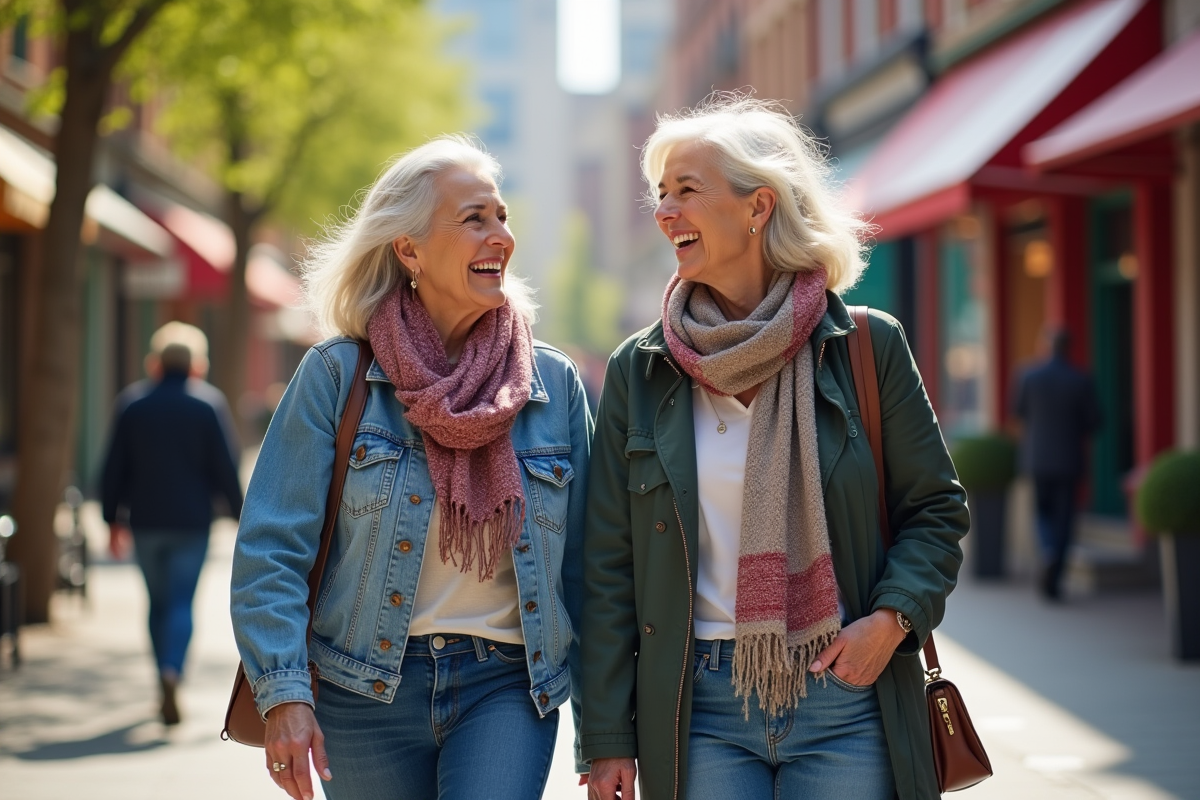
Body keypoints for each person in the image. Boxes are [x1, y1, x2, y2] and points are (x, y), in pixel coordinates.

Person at [580, 95, 970, 800]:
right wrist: (607, 736)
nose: (665, 212)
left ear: (759, 207)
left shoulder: (867, 348)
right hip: (696, 709)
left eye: (687, 191)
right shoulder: (640, 371)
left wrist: (891, 621)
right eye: (660, 195)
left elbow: (935, 513)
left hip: (848, 698)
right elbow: (607, 564)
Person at [230, 135, 591, 800]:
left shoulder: (553, 386)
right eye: (474, 218)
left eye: (502, 217)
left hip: (505, 686)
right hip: (359, 690)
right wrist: (283, 693)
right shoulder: (338, 377)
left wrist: (604, 733)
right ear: (409, 248)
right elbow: (271, 548)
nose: (500, 237)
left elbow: (591, 568)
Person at [101, 322, 243, 725]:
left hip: (145, 522)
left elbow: (114, 468)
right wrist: (240, 515)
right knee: (182, 602)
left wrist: (111, 519)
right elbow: (225, 468)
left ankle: (160, 672)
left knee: (157, 603)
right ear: (197, 366)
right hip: (192, 523)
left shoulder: (132, 404)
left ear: (155, 363)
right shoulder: (208, 405)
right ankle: (172, 671)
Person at [1013, 329, 1102, 601]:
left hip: (1038, 459)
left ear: (1045, 347)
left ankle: (1047, 549)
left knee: (1042, 514)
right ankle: (1055, 581)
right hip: (1068, 460)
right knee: (1065, 519)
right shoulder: (1080, 379)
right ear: (1069, 348)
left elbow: (1017, 411)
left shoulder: (1028, 375)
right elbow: (1096, 421)